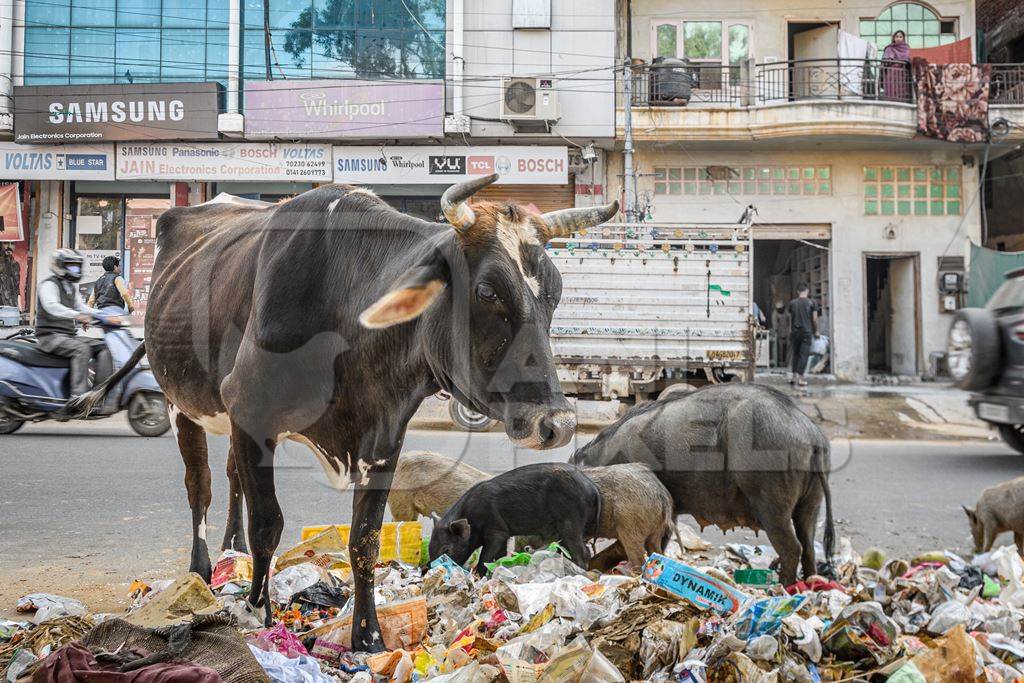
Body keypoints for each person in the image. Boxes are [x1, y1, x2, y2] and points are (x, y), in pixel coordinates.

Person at [35, 249, 120, 399]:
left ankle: (99, 394)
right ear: (60, 266)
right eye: (71, 266)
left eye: (77, 267)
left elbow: (81, 307)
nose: (75, 270)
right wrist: (79, 316)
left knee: (104, 348)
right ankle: (79, 397)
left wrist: (106, 316)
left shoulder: (69, 286)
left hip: (68, 336)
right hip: (50, 337)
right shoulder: (49, 285)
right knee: (82, 350)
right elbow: (52, 306)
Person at [787, 282, 819, 387]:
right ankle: (800, 379)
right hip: (806, 332)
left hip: (795, 332)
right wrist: (816, 331)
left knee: (795, 355)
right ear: (807, 291)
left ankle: (793, 377)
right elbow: (814, 319)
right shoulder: (812, 303)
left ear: (797, 292)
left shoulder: (792, 303)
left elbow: (790, 317)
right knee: (803, 355)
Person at [881, 30, 911, 102]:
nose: (898, 38)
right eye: (896, 36)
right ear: (894, 38)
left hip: (903, 73)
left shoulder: (906, 48)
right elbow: (886, 61)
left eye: (900, 37)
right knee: (891, 88)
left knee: (901, 89)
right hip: (892, 72)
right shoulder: (889, 48)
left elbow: (909, 59)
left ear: (903, 38)